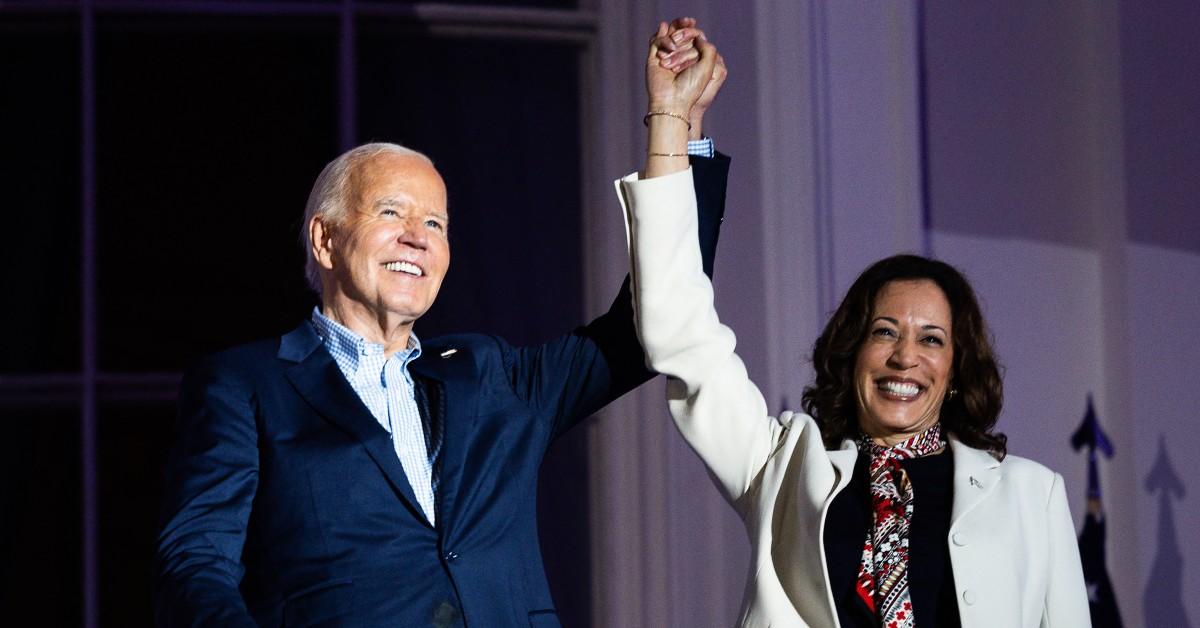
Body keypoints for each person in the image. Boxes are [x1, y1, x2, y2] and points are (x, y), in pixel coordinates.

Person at [154, 23, 727, 627]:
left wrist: (674, 124)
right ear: (325, 240)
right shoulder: (246, 385)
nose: (416, 237)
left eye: (436, 224)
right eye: (390, 212)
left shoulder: (492, 375)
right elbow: (194, 562)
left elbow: (653, 320)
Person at [615, 26, 1091, 628]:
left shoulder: (1030, 494)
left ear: (956, 369)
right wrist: (672, 120)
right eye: (885, 332)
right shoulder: (782, 468)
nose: (905, 357)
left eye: (932, 339)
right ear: (852, 351)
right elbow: (676, 329)